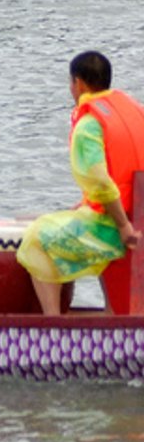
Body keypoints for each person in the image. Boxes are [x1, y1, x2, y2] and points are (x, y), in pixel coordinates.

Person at [19, 51, 144, 316]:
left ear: (79, 83)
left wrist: (123, 226)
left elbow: (101, 182)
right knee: (75, 217)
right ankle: (111, 314)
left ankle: (54, 326)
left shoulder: (89, 125)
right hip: (139, 215)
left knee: (36, 240)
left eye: (70, 83)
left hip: (120, 228)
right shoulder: (135, 111)